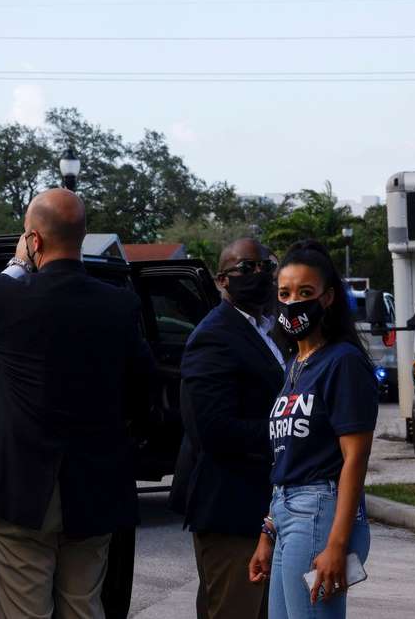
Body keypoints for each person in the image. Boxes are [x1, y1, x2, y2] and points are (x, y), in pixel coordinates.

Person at [0, 188, 153, 619]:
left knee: (22, 608)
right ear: (81, 237)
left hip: (20, 486)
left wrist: (16, 264)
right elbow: (145, 387)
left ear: (35, 240)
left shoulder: (5, 296)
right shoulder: (119, 304)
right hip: (96, 485)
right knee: (84, 605)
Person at [248, 240, 377, 619]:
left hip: (320, 513)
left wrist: (338, 543)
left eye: (306, 292)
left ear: (328, 298)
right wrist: (267, 533)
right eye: (284, 293)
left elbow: (355, 458)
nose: (292, 302)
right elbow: (289, 457)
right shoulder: (295, 366)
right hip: (287, 513)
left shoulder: (343, 362)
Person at [169, 238, 284, 619]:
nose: (259, 275)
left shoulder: (272, 330)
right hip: (232, 506)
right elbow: (213, 429)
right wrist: (288, 435)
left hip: (270, 504)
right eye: (246, 268)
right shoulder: (213, 335)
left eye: (266, 267)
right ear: (222, 281)